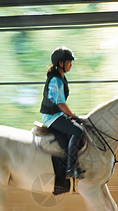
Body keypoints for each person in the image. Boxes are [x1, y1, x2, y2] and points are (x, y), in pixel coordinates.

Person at [40, 46, 85, 179]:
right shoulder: (56, 80)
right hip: (52, 117)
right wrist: (73, 116)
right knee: (78, 131)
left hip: (57, 115)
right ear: (60, 63)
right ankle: (71, 168)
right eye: (69, 62)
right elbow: (60, 104)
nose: (71, 65)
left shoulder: (60, 77)